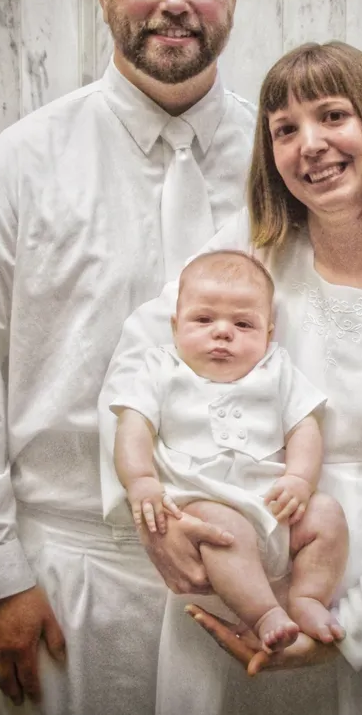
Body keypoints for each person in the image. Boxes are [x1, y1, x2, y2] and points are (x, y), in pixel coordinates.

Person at [0, 0, 257, 715]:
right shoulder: (15, 169)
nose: (175, 1)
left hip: (247, 575)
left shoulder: (280, 163)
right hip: (70, 575)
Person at [98, 41, 362, 715]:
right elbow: (138, 362)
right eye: (285, 129)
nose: (310, 145)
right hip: (228, 597)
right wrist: (153, 514)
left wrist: (348, 633)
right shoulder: (251, 248)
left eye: (333, 115)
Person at [111, 249, 348, 652]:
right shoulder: (161, 368)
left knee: (327, 514)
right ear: (175, 326)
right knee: (224, 531)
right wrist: (141, 481)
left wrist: (299, 479)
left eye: (243, 323)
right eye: (204, 320)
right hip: (207, 503)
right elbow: (134, 425)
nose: (223, 332)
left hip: (276, 507)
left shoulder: (276, 368)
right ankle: (264, 614)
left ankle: (308, 596)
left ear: (269, 333)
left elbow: (304, 425)